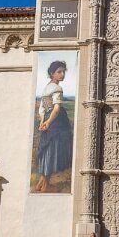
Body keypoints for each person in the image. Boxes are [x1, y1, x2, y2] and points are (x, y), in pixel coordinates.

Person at [35, 61, 73, 193]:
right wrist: (49, 123)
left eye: (63, 72)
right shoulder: (57, 88)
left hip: (47, 120)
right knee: (52, 152)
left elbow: (42, 108)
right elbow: (56, 109)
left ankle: (40, 184)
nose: (62, 74)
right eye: (59, 72)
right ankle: (45, 186)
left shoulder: (47, 87)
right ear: (52, 73)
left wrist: (42, 121)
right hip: (56, 123)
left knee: (47, 151)